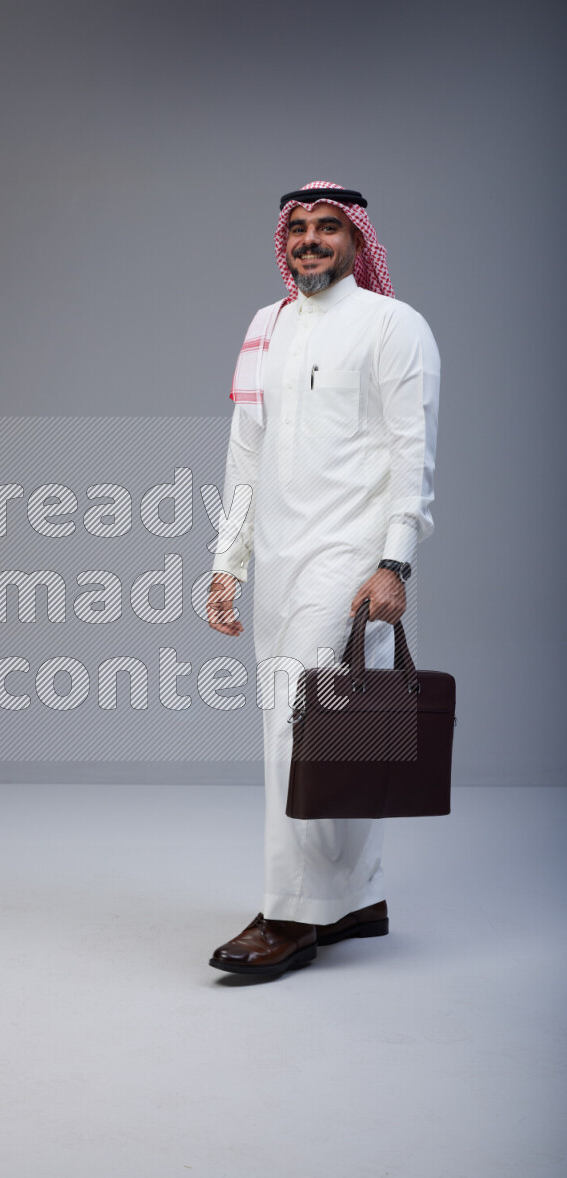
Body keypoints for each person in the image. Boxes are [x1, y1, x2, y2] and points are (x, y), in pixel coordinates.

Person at [206, 181, 440, 979]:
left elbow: (414, 451)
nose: (310, 240)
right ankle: (355, 895)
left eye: (328, 228)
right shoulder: (264, 327)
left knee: (303, 733)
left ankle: (288, 917)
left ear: (355, 239)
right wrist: (228, 561)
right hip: (278, 558)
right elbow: (245, 452)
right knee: (343, 731)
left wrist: (395, 560)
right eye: (298, 228)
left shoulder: (392, 326)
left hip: (350, 561)